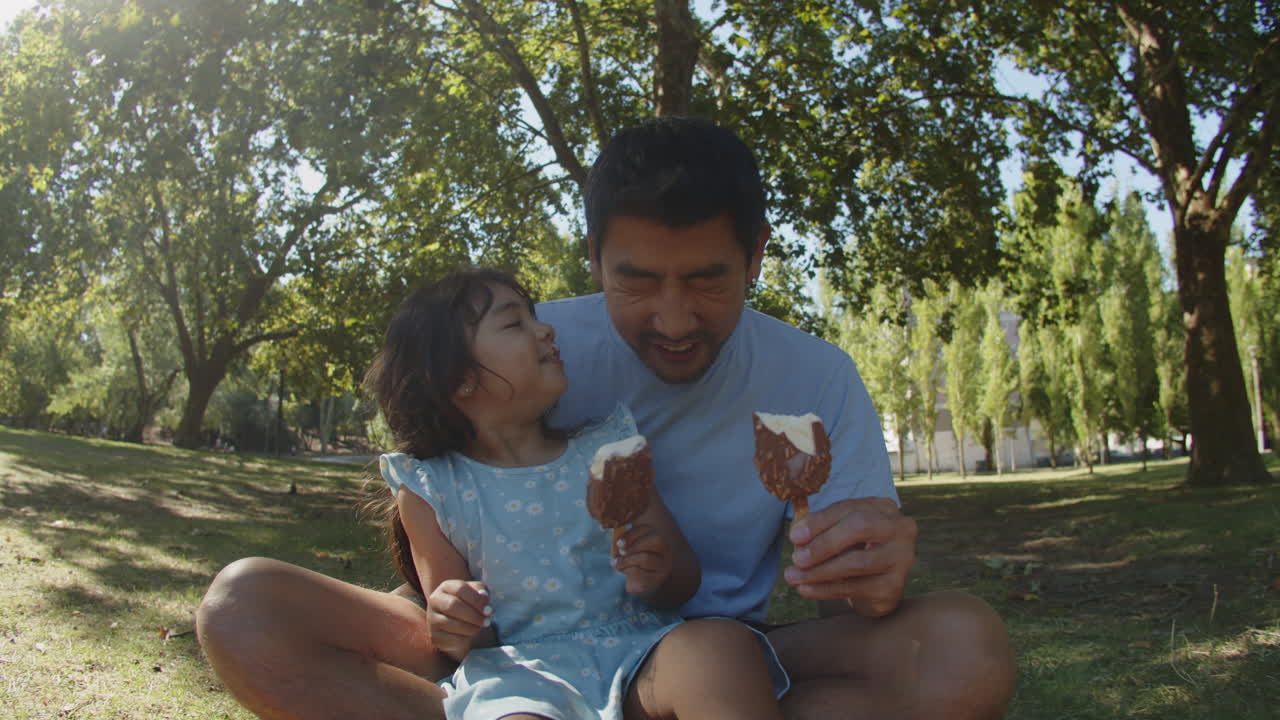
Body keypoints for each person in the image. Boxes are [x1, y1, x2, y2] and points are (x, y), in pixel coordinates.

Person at [197, 117, 1015, 720]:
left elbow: (849, 604)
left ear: (757, 255)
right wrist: (455, 619)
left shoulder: (817, 380)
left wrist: (867, 577)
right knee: (242, 608)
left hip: (711, 662)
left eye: (706, 279)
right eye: (635, 281)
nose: (673, 319)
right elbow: (452, 508)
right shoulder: (536, 352)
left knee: (961, 652)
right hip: (519, 662)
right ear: (592, 259)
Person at [361, 268, 788, 719]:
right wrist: (455, 619)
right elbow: (462, 631)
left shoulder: (608, 450)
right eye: (514, 324)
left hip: (641, 654)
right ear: (458, 378)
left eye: (534, 317)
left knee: (719, 647)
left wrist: (659, 571)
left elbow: (682, 581)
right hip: (522, 676)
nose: (544, 328)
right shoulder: (431, 490)